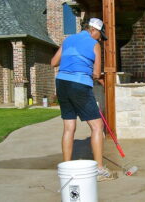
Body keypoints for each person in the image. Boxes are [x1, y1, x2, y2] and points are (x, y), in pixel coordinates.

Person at [51, 18, 116, 181]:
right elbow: (96, 73)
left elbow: (53, 62)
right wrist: (96, 77)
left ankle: (66, 171)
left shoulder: (68, 40)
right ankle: (99, 170)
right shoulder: (94, 44)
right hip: (79, 84)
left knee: (68, 127)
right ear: (93, 30)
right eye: (100, 35)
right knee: (97, 126)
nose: (100, 39)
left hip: (62, 83)